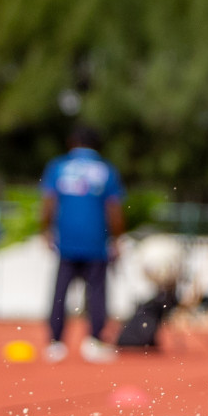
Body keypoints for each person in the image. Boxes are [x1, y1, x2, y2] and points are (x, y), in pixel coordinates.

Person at [40, 125, 125, 363]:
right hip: (96, 241)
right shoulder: (106, 170)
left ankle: (55, 343)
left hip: (66, 240)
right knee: (96, 293)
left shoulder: (58, 166)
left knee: (60, 292)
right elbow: (114, 209)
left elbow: (48, 202)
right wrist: (117, 238)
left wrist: (46, 230)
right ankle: (95, 340)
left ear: (72, 142)